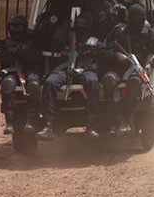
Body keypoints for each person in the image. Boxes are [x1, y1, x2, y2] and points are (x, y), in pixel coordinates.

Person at [101, 4, 154, 133]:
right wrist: (117, 55)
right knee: (108, 80)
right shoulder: (119, 31)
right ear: (130, 19)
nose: (139, 24)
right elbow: (103, 49)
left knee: (134, 83)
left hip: (137, 69)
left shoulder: (149, 33)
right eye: (136, 20)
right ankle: (119, 118)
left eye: (141, 20)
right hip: (118, 68)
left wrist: (152, 64)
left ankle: (125, 115)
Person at [37, 12, 104, 141]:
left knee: (92, 81)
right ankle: (47, 126)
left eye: (83, 24)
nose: (80, 26)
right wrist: (65, 28)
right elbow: (54, 42)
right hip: (65, 70)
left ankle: (92, 126)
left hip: (85, 70)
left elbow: (102, 60)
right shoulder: (65, 38)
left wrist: (86, 68)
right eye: (78, 23)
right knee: (50, 82)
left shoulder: (95, 42)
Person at [0, 15, 43, 135]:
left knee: (34, 85)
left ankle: (31, 120)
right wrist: (3, 54)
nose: (15, 31)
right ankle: (9, 122)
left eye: (18, 27)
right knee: (7, 83)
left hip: (30, 71)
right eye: (12, 27)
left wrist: (23, 55)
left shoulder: (33, 43)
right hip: (12, 71)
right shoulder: (5, 43)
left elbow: (37, 57)